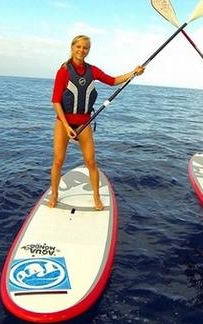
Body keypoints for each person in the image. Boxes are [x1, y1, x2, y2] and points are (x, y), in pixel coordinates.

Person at [50, 35, 144, 209]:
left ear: (88, 50)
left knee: (91, 162)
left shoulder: (92, 70)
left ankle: (96, 197)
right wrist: (66, 125)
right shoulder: (63, 70)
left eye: (85, 47)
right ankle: (54, 194)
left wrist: (133, 72)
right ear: (72, 47)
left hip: (84, 123)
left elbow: (113, 81)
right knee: (58, 160)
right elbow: (56, 100)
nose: (81, 50)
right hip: (64, 123)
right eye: (78, 46)